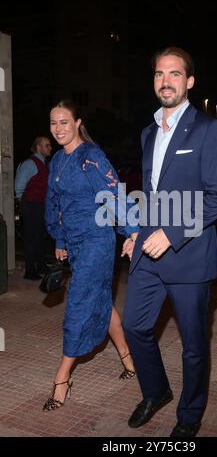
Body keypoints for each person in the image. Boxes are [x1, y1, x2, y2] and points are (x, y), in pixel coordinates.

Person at [122, 47, 217, 437]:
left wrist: (169, 234)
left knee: (193, 346)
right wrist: (137, 232)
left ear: (189, 81)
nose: (165, 81)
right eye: (158, 74)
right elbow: (152, 194)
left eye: (174, 74)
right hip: (148, 255)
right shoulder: (148, 132)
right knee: (134, 326)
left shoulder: (208, 129)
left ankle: (189, 417)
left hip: (189, 255)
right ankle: (156, 392)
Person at [43, 99, 139, 411]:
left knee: (78, 304)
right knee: (100, 301)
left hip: (97, 241)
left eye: (64, 123)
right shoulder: (58, 160)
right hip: (73, 242)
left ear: (77, 123)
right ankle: (129, 359)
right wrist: (59, 238)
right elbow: (54, 202)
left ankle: (62, 377)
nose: (58, 129)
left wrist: (132, 232)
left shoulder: (91, 157)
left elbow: (115, 195)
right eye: (53, 123)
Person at [15, 136, 52, 280]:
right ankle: (30, 271)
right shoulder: (30, 164)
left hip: (40, 205)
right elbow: (19, 186)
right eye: (47, 145)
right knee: (31, 238)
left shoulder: (44, 163)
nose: (50, 148)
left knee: (41, 237)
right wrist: (23, 203)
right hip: (31, 204)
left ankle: (41, 266)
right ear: (38, 148)